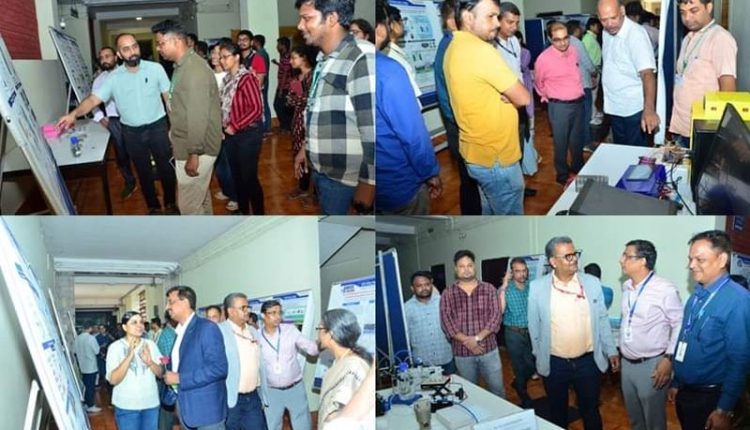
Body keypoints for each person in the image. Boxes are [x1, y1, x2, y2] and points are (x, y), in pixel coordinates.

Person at [57, 33, 177, 215]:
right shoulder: (112, 78)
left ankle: (170, 203)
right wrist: (73, 114)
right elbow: (93, 100)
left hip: (158, 127)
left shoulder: (156, 69)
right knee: (143, 171)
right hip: (132, 133)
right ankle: (153, 206)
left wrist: (174, 126)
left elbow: (168, 98)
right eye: (126, 49)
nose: (132, 52)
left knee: (166, 168)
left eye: (134, 46)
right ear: (119, 55)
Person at [444, 0, 530, 215]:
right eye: (490, 16)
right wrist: (511, 96)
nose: (497, 23)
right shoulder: (481, 51)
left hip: (476, 154)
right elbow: (523, 97)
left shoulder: (453, 47)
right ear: (468, 17)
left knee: (489, 211)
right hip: (496, 157)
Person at [294, 0, 375, 215]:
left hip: (346, 180)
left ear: (331, 19)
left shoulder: (360, 57)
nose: (300, 25)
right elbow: (319, 109)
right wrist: (306, 148)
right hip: (324, 172)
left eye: (307, 18)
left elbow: (372, 130)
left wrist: (368, 186)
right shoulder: (323, 58)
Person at [528, 236, 619, 430]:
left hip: (588, 362)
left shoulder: (591, 283)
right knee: (557, 413)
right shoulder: (537, 288)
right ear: (553, 261)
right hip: (555, 363)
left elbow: (602, 319)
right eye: (568, 256)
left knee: (590, 411)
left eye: (574, 254)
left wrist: (611, 349)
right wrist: (539, 354)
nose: (574, 259)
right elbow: (534, 325)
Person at [669, 230, 750, 430]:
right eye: (690, 259)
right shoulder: (697, 295)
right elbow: (685, 338)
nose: (691, 265)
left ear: (722, 260)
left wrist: (724, 409)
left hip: (711, 398)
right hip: (686, 391)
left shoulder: (738, 300)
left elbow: (739, 359)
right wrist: (677, 382)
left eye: (699, 259)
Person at [375, 2, 441, 215]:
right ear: (383, 27)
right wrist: (430, 172)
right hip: (400, 181)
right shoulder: (389, 67)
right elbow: (412, 135)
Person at [153, 20, 222, 216]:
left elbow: (197, 116)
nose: (158, 48)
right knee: (200, 197)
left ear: (176, 41)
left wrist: (194, 154)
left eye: (161, 43)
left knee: (189, 207)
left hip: (198, 149)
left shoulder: (194, 70)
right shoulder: (181, 65)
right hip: (188, 144)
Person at [618, 240, 683, 430]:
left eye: (627, 256)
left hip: (652, 365)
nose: (621, 260)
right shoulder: (627, 287)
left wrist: (668, 358)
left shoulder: (664, 289)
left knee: (653, 421)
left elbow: (679, 324)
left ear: (642, 261)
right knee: (635, 419)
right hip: (627, 363)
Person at [669, 0, 737, 147]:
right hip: (682, 125)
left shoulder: (720, 38)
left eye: (694, 11)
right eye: (683, 13)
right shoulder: (688, 38)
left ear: (709, 7)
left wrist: (720, 133)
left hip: (704, 130)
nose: (687, 18)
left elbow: (728, 90)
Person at [434, 0, 480, 215]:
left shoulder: (452, 44)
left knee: (470, 179)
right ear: (452, 19)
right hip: (460, 125)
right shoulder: (452, 47)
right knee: (469, 179)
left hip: (458, 123)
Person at [439, 250, 505, 397]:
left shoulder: (489, 289)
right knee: (469, 393)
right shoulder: (448, 293)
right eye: (462, 266)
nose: (466, 269)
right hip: (462, 354)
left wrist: (476, 339)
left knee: (497, 390)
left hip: (488, 350)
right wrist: (468, 342)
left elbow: (496, 317)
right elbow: (446, 323)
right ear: (456, 269)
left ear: (474, 266)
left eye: (469, 265)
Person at [164, 286, 228, 430]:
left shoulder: (207, 328)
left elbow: (219, 368)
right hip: (186, 408)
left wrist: (180, 378)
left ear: (185, 302)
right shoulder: (179, 332)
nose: (167, 307)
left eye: (171, 302)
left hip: (206, 412)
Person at [598, 0, 659, 147]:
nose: (609, 24)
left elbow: (647, 74)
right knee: (620, 150)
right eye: (604, 20)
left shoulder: (636, 34)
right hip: (614, 106)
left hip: (633, 108)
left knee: (635, 153)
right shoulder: (606, 32)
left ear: (622, 11)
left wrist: (649, 109)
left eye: (613, 18)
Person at [534, 22, 586, 186]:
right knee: (561, 142)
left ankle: (578, 168)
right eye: (557, 40)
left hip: (578, 103)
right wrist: (547, 96)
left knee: (577, 140)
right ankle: (562, 174)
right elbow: (538, 82)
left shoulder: (574, 50)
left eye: (565, 38)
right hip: (559, 107)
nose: (563, 43)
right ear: (550, 39)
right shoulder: (543, 59)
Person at [219, 41, 266, 215]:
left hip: (248, 135)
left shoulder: (246, 78)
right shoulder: (227, 79)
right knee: (237, 176)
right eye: (220, 57)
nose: (222, 61)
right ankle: (244, 212)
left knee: (249, 178)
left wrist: (235, 126)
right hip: (231, 135)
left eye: (225, 57)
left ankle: (260, 216)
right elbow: (224, 106)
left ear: (237, 57)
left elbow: (256, 108)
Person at [260, 300, 319, 430]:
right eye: (273, 313)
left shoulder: (290, 330)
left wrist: (321, 343)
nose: (277, 316)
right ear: (263, 315)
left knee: (302, 424)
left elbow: (311, 349)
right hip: (271, 391)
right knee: (272, 425)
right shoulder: (257, 336)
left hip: (295, 388)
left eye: (279, 312)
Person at [218, 293, 269, 430]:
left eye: (248, 307)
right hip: (231, 399)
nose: (247, 311)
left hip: (253, 397)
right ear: (230, 311)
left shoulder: (252, 331)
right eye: (243, 308)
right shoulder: (219, 331)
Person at [92, 46, 137, 200]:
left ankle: (148, 181)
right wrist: (100, 118)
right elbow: (93, 103)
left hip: (134, 118)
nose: (104, 60)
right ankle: (130, 182)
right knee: (121, 155)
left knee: (139, 152)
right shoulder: (99, 80)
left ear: (116, 57)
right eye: (101, 58)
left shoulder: (128, 73)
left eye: (108, 56)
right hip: (115, 121)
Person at [106, 311, 163, 430]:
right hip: (126, 406)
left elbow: (161, 373)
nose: (139, 325)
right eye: (134, 322)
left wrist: (150, 362)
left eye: (141, 322)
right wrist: (129, 356)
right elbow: (113, 380)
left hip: (150, 405)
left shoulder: (150, 345)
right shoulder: (115, 347)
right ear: (124, 327)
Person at [316, 309, 371, 428]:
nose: (318, 334)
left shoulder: (353, 367)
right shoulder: (340, 361)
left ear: (330, 334)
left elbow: (342, 418)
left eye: (319, 329)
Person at [497, 258, 535, 408]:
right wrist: (504, 286)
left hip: (530, 332)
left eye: (524, 270)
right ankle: (523, 395)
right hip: (513, 334)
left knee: (532, 365)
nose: (522, 274)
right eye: (518, 271)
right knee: (518, 366)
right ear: (511, 273)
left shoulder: (531, 287)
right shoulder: (506, 289)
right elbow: (500, 311)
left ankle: (518, 383)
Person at [404, 271, 455, 374]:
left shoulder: (443, 302)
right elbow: (405, 336)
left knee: (451, 384)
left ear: (431, 285)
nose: (424, 288)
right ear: (412, 288)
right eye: (419, 286)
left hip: (445, 358)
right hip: (422, 363)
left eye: (427, 284)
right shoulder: (406, 308)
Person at [286, 44, 317, 204]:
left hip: (312, 121)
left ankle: (317, 194)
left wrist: (297, 99)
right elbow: (290, 99)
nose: (290, 61)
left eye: (293, 58)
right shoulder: (296, 77)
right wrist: (296, 99)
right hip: (298, 120)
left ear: (303, 58)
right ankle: (303, 187)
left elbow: (313, 100)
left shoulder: (315, 75)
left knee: (313, 155)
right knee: (299, 151)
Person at [209, 42, 238, 212]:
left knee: (229, 164)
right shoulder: (209, 74)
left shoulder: (229, 77)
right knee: (219, 162)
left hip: (227, 127)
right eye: (212, 53)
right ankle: (227, 190)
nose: (214, 56)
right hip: (213, 126)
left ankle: (235, 196)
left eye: (218, 53)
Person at [566, 20, 597, 155]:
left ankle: (576, 142)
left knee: (575, 116)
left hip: (570, 86)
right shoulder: (577, 43)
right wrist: (594, 72)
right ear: (576, 29)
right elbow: (586, 62)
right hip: (583, 84)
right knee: (585, 115)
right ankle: (586, 142)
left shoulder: (562, 43)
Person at [384, 5, 421, 100]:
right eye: (401, 21)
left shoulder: (392, 52)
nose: (403, 24)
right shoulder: (390, 56)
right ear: (392, 25)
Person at [157, 311, 178, 430]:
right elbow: (166, 358)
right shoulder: (168, 335)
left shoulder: (173, 332)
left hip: (171, 375)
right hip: (169, 377)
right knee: (167, 410)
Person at [75, 323, 102, 413]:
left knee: (86, 386)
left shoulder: (77, 338)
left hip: (82, 366)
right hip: (91, 366)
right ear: (90, 328)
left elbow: (74, 351)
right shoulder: (91, 338)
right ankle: (90, 405)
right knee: (91, 387)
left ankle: (86, 403)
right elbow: (97, 351)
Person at [582, 17, 604, 128]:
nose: (598, 28)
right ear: (591, 26)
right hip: (591, 71)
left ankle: (594, 112)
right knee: (592, 95)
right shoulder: (587, 38)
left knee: (594, 94)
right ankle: (591, 117)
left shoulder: (592, 38)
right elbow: (585, 56)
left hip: (595, 69)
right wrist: (591, 72)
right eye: (597, 26)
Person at [272, 37, 294, 133]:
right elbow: (285, 68)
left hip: (285, 87)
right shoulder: (285, 56)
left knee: (279, 106)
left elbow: (285, 73)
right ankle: (286, 126)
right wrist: (277, 63)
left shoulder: (286, 57)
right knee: (283, 107)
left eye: (278, 44)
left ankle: (286, 127)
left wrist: (280, 89)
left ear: (283, 45)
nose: (277, 46)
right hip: (283, 86)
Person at [252, 35, 272, 133]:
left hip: (262, 82)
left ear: (257, 42)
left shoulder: (259, 54)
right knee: (264, 103)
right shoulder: (264, 52)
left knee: (263, 105)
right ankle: (266, 127)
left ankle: (266, 128)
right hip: (264, 81)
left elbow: (261, 71)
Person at [96, 324, 115, 388]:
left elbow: (114, 343)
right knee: (102, 370)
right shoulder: (97, 337)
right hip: (101, 356)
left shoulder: (109, 336)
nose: (102, 330)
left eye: (103, 328)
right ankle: (103, 384)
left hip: (109, 356)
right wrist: (102, 346)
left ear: (105, 329)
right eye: (100, 329)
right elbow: (95, 347)